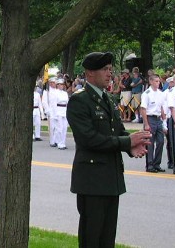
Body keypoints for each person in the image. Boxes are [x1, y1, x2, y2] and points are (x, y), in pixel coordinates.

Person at [67, 51, 151, 248]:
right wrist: (127, 143)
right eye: (104, 69)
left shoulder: (108, 99)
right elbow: (89, 139)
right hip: (92, 180)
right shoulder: (80, 100)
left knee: (107, 238)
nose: (109, 74)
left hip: (110, 178)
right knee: (92, 236)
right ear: (89, 74)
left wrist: (132, 147)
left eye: (110, 70)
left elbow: (119, 131)